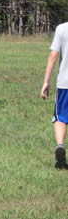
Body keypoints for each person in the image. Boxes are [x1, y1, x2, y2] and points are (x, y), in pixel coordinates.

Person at [40, 22, 68, 169]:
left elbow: (53, 55)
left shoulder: (62, 28)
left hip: (65, 83)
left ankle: (60, 145)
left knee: (60, 118)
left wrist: (46, 81)